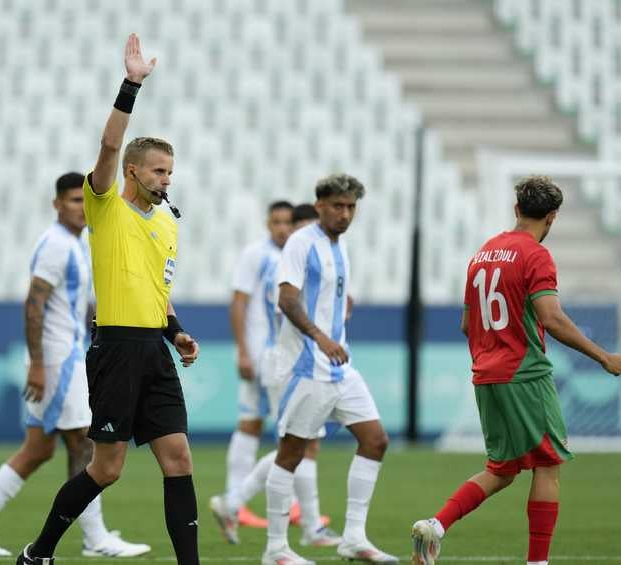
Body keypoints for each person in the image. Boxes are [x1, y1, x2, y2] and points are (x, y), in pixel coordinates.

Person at [16, 34, 201, 565]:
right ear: (133, 172)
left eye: (170, 171)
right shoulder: (105, 208)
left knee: (179, 458)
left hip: (155, 352)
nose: (166, 179)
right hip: (116, 350)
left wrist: (177, 332)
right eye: (157, 170)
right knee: (107, 468)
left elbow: (157, 292)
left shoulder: (167, 223)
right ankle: (40, 550)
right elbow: (107, 147)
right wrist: (131, 86)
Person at [410, 176, 621, 565]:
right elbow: (552, 318)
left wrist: (491, 353)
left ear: (516, 209)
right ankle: (537, 564)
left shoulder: (484, 253)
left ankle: (435, 526)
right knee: (548, 464)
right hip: (525, 375)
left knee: (503, 469)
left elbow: (465, 324)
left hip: (486, 376)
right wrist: (603, 356)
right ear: (552, 217)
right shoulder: (536, 256)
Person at [0, 174, 149, 558]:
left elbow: (73, 303)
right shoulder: (55, 246)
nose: (81, 206)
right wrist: (39, 364)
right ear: (57, 204)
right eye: (73, 200)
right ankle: (94, 537)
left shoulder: (76, 244)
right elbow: (34, 304)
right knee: (85, 442)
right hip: (59, 360)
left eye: (84, 200)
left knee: (39, 449)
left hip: (67, 354)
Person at [262, 175, 397, 564]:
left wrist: (341, 306)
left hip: (340, 367)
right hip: (307, 367)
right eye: (338, 205)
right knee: (291, 453)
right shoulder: (301, 243)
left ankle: (353, 537)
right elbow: (287, 300)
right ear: (319, 205)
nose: (345, 213)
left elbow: (325, 294)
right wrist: (320, 336)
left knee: (375, 441)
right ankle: (275, 548)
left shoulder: (339, 246)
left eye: (351, 207)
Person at [211, 202, 340, 548]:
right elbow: (250, 305)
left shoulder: (292, 261)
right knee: (298, 441)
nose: (285, 229)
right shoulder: (277, 261)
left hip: (281, 359)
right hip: (284, 361)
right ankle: (302, 523)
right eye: (280, 222)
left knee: (294, 440)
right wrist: (243, 350)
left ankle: (238, 503)